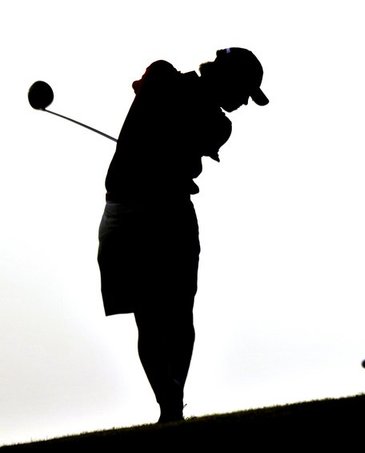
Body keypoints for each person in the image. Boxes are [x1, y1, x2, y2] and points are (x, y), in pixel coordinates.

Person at [97, 48, 268, 423]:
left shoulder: (218, 124)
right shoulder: (164, 77)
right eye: (243, 93)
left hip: (156, 209)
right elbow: (149, 87)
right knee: (155, 315)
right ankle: (169, 401)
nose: (241, 104)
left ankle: (171, 403)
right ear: (227, 78)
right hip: (137, 210)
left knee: (172, 313)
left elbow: (191, 128)